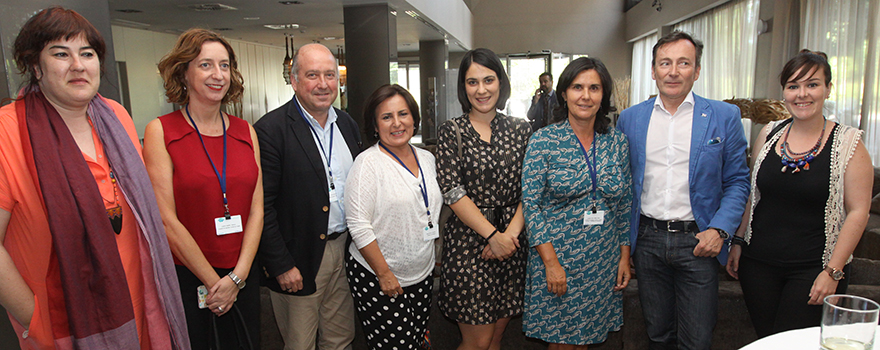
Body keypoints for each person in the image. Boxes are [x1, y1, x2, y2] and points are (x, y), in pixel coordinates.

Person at [0, 6, 189, 349]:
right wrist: (35, 319)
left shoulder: (115, 117)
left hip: (140, 310)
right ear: (35, 66)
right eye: (60, 54)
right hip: (66, 325)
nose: (78, 65)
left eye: (87, 53)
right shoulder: (7, 131)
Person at [616, 31, 750, 350]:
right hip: (647, 242)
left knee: (697, 339)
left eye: (683, 63)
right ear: (653, 71)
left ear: (697, 71)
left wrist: (720, 229)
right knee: (657, 333)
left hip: (699, 242)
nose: (673, 71)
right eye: (665, 63)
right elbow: (622, 187)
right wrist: (625, 245)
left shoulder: (724, 116)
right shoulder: (630, 119)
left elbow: (738, 181)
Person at [726, 50, 872, 338]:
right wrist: (738, 241)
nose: (802, 94)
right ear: (784, 92)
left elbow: (858, 212)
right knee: (768, 341)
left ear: (828, 89)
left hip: (813, 270)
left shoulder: (849, 143)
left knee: (792, 343)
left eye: (812, 84)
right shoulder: (768, 134)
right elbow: (753, 196)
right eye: (793, 86)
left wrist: (833, 271)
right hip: (758, 267)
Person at [144, 29, 262, 349]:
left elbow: (257, 209)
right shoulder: (161, 131)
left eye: (224, 66)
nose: (218, 74)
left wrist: (237, 278)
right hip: (192, 278)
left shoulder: (245, 131)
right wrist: (215, 283)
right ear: (184, 72)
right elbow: (165, 219)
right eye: (206, 65)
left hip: (243, 275)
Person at [255, 43, 361, 350]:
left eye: (330, 74)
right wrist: (280, 264)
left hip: (344, 251)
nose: (323, 84)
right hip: (298, 259)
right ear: (294, 80)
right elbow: (263, 205)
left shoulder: (347, 123)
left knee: (341, 340)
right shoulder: (271, 130)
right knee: (300, 344)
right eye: (312, 75)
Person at [521, 57, 632, 349]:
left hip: (602, 261)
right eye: (577, 87)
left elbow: (624, 203)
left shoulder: (616, 142)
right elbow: (531, 206)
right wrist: (551, 263)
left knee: (587, 340)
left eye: (594, 88)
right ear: (564, 93)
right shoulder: (543, 141)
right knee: (561, 343)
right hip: (558, 258)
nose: (585, 95)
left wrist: (624, 256)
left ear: (603, 95)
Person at [436, 48, 531, 350]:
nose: (481, 89)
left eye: (488, 80)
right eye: (472, 82)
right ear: (463, 87)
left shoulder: (522, 129)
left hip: (513, 243)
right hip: (468, 245)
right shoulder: (452, 131)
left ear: (500, 82)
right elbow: (452, 191)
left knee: (497, 339)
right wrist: (492, 236)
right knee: (478, 342)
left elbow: (531, 188)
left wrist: (508, 237)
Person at [344, 84, 442, 349]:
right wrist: (384, 273)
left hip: (421, 275)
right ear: (375, 126)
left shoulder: (427, 158)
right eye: (387, 117)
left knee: (418, 340)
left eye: (403, 114)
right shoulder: (367, 164)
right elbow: (358, 225)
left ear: (414, 119)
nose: (397, 123)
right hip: (379, 277)